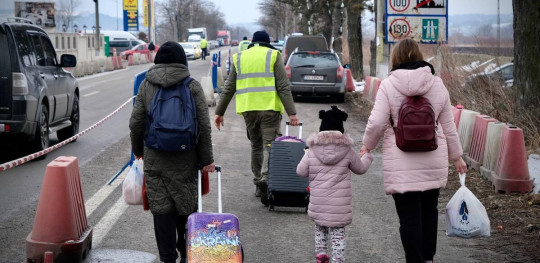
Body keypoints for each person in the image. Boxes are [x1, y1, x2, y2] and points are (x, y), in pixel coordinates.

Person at [360, 38, 467, 263]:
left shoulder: (388, 85)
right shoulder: (437, 84)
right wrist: (457, 157)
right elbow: (448, 126)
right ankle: (428, 258)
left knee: (408, 217)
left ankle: (415, 260)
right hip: (432, 159)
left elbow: (377, 122)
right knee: (429, 212)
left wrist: (367, 145)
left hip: (401, 161)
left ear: (396, 58)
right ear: (419, 56)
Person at [129, 41, 215, 263]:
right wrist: (207, 159)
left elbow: (135, 122)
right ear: (182, 60)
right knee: (185, 206)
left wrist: (139, 151)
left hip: (155, 157)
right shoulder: (192, 86)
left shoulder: (147, 85)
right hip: (186, 157)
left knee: (161, 208)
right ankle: (187, 253)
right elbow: (203, 126)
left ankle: (168, 258)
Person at [214, 30, 299, 202]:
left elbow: (229, 87)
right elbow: (283, 86)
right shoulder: (274, 55)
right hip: (269, 109)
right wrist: (292, 113)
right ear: (268, 42)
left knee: (256, 146)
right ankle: (266, 180)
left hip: (249, 109)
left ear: (253, 42)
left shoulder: (239, 57)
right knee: (270, 146)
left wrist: (219, 112)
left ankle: (258, 183)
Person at [297, 106, 373, 263]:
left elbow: (301, 172)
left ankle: (321, 256)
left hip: (319, 204)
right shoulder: (347, 151)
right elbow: (360, 169)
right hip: (339, 206)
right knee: (338, 236)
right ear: (341, 130)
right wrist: (367, 157)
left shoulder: (311, 151)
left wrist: (305, 155)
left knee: (320, 231)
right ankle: (338, 259)